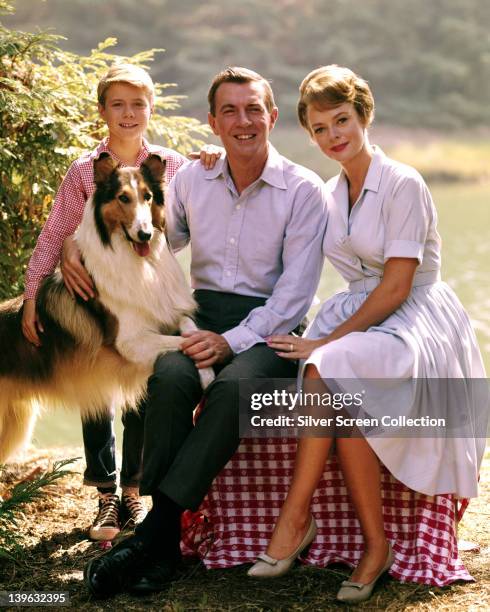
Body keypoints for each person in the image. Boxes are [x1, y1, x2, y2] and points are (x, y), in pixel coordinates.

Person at [83, 66, 327, 598]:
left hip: (272, 328)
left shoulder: (304, 191)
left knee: (235, 388)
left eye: (254, 109)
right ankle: (165, 544)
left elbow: (295, 295)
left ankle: (155, 534)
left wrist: (232, 341)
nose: (244, 122)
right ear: (212, 122)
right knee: (169, 376)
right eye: (231, 112)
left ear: (273, 117)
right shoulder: (192, 178)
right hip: (199, 315)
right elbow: (162, 246)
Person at [246, 65, 487, 603]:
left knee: (327, 364)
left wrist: (325, 343)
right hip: (361, 312)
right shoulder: (330, 192)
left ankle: (295, 518)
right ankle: (372, 545)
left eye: (342, 120)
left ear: (364, 116)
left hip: (416, 316)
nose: (334, 135)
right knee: (324, 371)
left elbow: (396, 286)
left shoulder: (403, 182)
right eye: (320, 128)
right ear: (308, 134)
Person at [22, 63, 188, 541]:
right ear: (102, 111)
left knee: (143, 385)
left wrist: (216, 154)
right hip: (94, 296)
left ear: (151, 108)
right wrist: (34, 294)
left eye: (138, 104)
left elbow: (200, 200)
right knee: (96, 384)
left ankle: (135, 494)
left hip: (149, 292)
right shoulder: (84, 170)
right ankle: (106, 498)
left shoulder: (172, 164)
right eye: (118, 104)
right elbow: (56, 232)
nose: (129, 113)